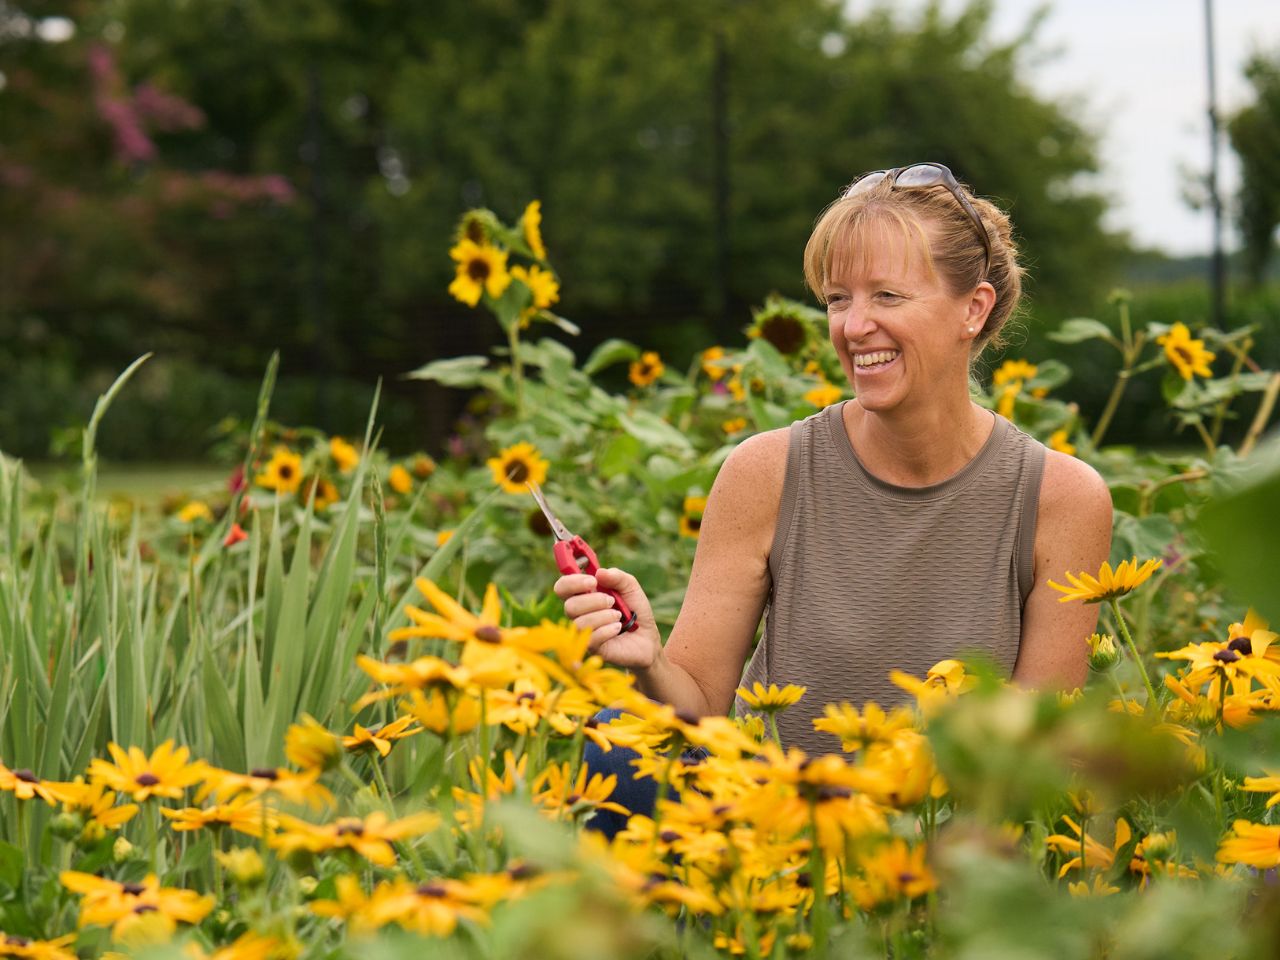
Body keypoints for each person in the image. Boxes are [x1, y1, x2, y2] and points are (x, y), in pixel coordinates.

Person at [555, 163, 1112, 829]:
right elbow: (698, 707)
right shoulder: (766, 472)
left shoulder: (1061, 498)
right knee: (622, 743)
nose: (853, 327)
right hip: (776, 830)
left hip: (949, 840)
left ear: (974, 308)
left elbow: (1033, 757)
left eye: (887, 296)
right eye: (838, 300)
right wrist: (647, 657)